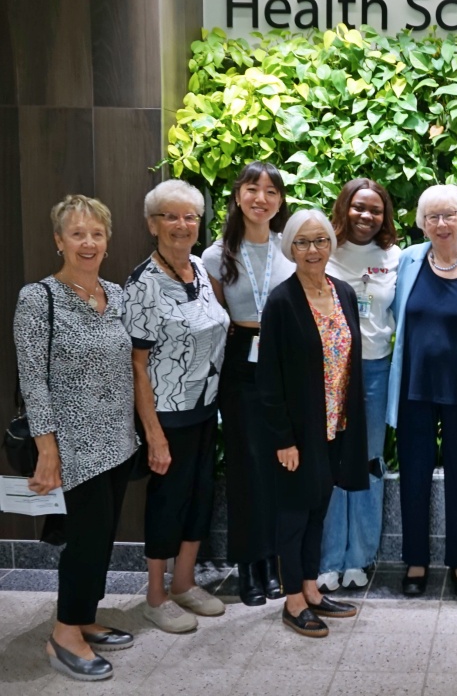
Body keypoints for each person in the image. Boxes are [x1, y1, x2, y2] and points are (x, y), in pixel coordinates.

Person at [14, 195, 139, 681]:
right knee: (86, 540)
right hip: (73, 446)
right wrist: (47, 450)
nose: (88, 242)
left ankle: (85, 615)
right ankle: (64, 631)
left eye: (97, 234)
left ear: (107, 241)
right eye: (77, 234)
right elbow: (33, 378)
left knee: (103, 536)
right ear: (58, 241)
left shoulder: (117, 295)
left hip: (118, 441)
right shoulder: (38, 297)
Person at [385, 184, 457, 599]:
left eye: (449, 214)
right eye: (432, 216)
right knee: (413, 475)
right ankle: (416, 560)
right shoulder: (407, 260)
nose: (441, 223)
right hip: (415, 386)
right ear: (421, 223)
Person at [257, 209, 369, 638]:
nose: (312, 250)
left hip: (336, 425)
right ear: (290, 248)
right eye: (302, 243)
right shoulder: (282, 301)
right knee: (294, 512)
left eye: (320, 240)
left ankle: (312, 588)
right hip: (299, 432)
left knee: (318, 509)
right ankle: (292, 600)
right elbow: (269, 379)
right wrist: (283, 438)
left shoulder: (342, 292)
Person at [124, 180, 229, 634]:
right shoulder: (143, 283)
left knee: (199, 498)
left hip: (205, 408)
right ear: (153, 224)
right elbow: (136, 365)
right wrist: (154, 434)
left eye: (190, 216)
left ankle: (184, 583)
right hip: (166, 415)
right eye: (171, 216)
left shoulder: (200, 270)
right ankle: (155, 595)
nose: (183, 224)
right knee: (167, 503)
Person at [201, 161, 294, 606]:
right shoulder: (216, 256)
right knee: (245, 466)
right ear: (238, 195)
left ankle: (273, 560)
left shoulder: (290, 249)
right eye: (253, 189)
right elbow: (217, 320)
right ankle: (248, 566)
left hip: (281, 361)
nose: (262, 198)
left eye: (271, 191)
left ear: (280, 201)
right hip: (240, 362)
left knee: (280, 465)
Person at [317, 179, 401, 594]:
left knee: (368, 461)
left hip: (374, 371)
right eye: (358, 207)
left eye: (376, 210)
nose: (366, 216)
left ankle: (360, 557)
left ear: (385, 216)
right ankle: (330, 558)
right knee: (332, 460)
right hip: (330, 372)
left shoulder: (394, 256)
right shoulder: (323, 250)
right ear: (344, 207)